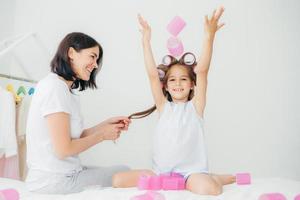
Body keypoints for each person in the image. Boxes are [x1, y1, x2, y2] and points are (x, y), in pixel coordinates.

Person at [112, 7, 236, 195]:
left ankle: (214, 177)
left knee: (210, 189)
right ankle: (207, 178)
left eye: (184, 79)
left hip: (190, 173)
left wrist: (209, 36)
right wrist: (146, 41)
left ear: (192, 85)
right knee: (117, 180)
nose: (178, 83)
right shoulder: (163, 106)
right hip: (161, 173)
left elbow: (202, 71)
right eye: (172, 80)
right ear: (166, 86)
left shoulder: (196, 107)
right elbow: (153, 76)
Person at [25, 32, 131, 194]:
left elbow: (73, 138)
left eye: (97, 60)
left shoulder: (64, 90)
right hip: (53, 181)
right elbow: (64, 149)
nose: (95, 65)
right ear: (71, 53)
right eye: (92, 57)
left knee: (124, 172)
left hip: (64, 174)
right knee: (126, 172)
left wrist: (104, 126)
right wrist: (102, 135)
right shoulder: (54, 88)